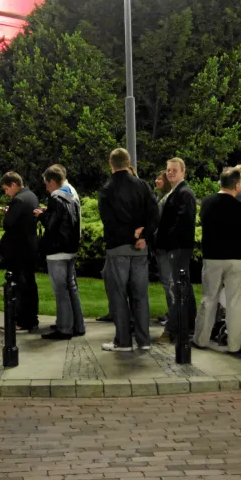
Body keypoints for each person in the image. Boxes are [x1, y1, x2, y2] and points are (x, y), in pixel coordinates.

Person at [98, 147, 160, 353]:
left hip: (118, 248)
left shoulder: (107, 189)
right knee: (140, 296)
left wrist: (132, 235)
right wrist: (143, 236)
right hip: (140, 250)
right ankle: (144, 340)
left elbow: (108, 222)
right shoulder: (142, 185)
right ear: (128, 162)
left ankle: (123, 341)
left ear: (111, 164)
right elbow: (154, 213)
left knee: (118, 295)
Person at [193, 168, 241, 354]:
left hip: (212, 258)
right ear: (237, 185)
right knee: (236, 302)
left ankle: (201, 340)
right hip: (237, 259)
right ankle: (234, 344)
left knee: (209, 298)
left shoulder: (207, 203)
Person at [37, 165, 85, 340]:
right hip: (70, 248)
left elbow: (51, 225)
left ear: (51, 181)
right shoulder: (71, 195)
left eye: (46, 183)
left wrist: (41, 215)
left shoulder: (56, 197)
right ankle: (78, 325)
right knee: (71, 287)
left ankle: (64, 328)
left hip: (57, 250)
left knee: (61, 290)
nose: (46, 187)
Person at [153, 157, 196, 342]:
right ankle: (187, 326)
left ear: (183, 172)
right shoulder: (175, 192)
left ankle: (175, 330)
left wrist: (165, 242)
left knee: (177, 290)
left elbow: (182, 224)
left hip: (177, 249)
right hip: (174, 249)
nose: (170, 173)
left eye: (174, 170)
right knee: (183, 290)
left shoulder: (184, 194)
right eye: (168, 170)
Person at [0, 173, 41, 333]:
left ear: (14, 184)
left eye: (6, 189)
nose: (6, 193)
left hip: (19, 249)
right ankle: (31, 318)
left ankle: (22, 320)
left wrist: (8, 213)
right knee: (29, 284)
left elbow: (8, 223)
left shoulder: (18, 199)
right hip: (29, 246)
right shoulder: (31, 196)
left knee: (20, 285)